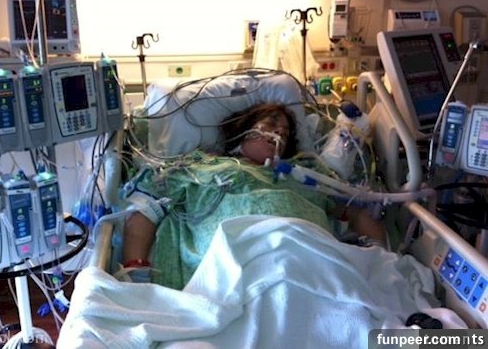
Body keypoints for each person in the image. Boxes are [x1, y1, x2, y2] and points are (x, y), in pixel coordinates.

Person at [119, 103, 385, 289]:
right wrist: (136, 269)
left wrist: (379, 259)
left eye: (285, 132)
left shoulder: (304, 175)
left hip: (311, 263)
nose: (279, 132)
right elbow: (146, 210)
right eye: (271, 123)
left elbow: (355, 212)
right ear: (243, 130)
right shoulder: (201, 167)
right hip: (233, 267)